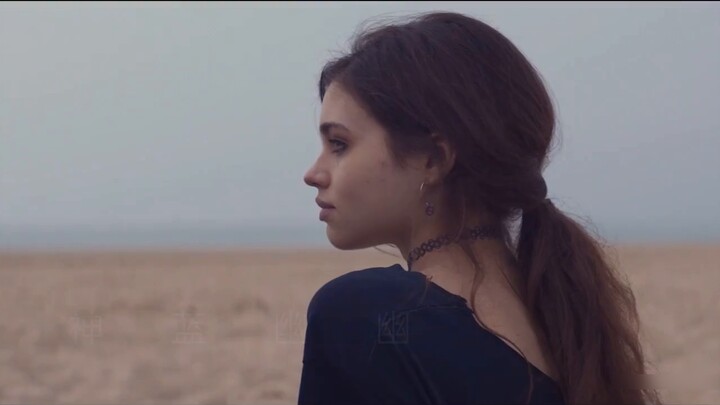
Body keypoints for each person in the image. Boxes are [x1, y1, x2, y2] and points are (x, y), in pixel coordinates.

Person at [300, 10, 661, 405]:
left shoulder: (362, 315)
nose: (313, 173)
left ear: (434, 159)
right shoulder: (568, 328)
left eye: (339, 144)